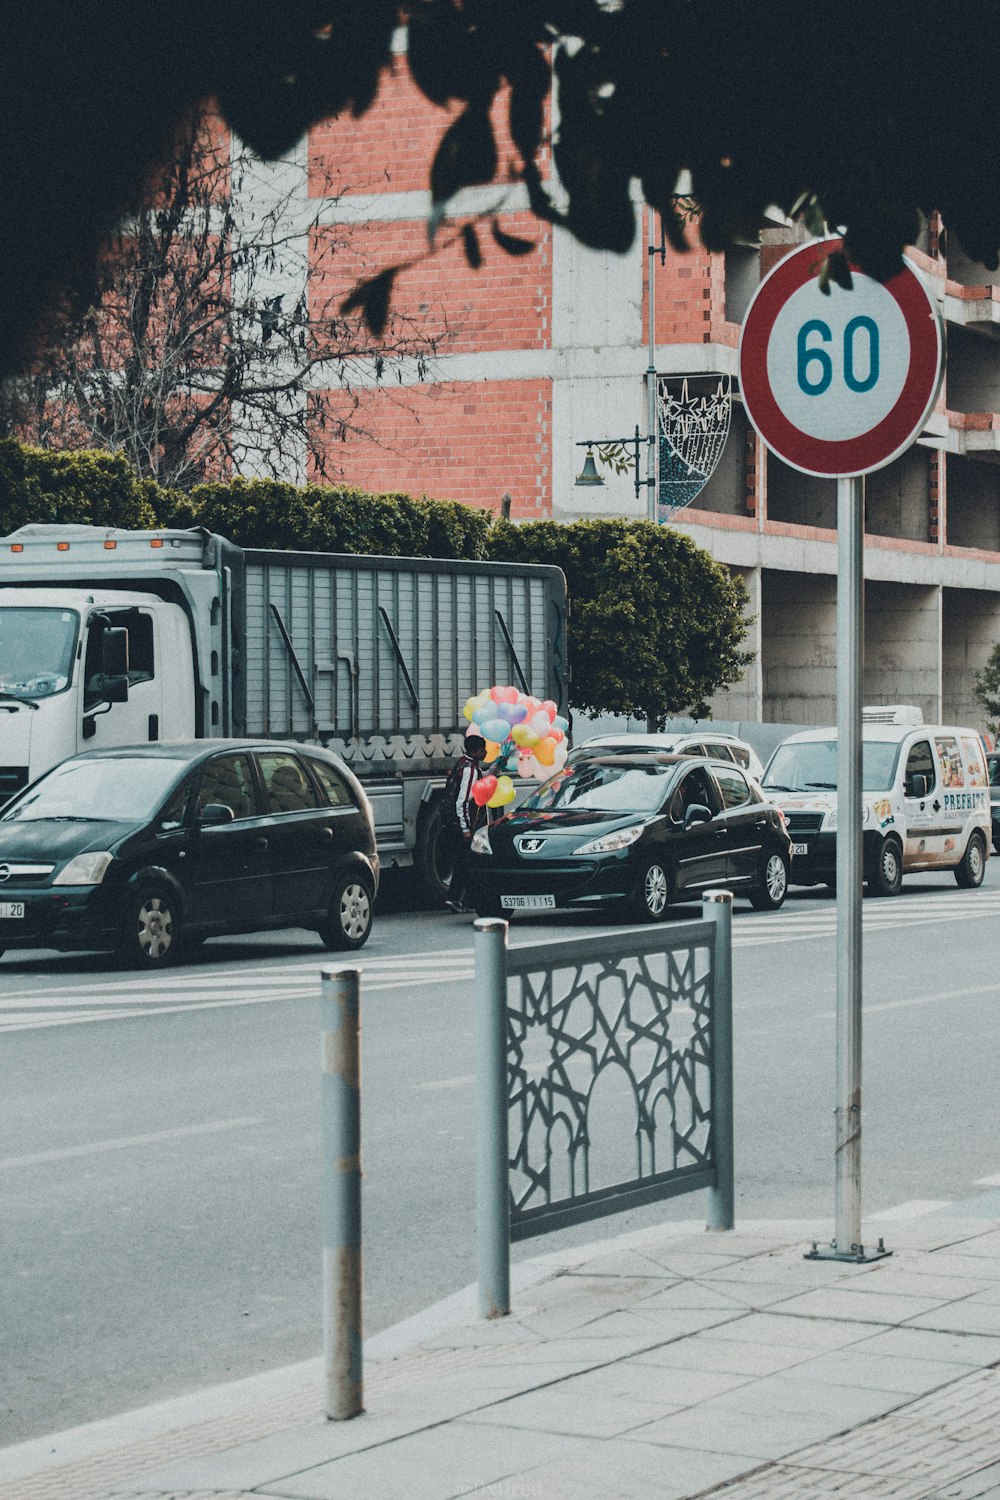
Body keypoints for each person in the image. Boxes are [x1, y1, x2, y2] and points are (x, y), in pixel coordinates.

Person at [443, 733, 487, 913]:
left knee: (463, 862)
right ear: (475, 751)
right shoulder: (470, 769)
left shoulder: (464, 763)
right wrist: (466, 828)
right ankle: (458, 899)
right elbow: (462, 801)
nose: (485, 753)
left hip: (455, 824)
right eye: (483, 749)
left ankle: (463, 900)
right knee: (467, 863)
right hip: (462, 826)